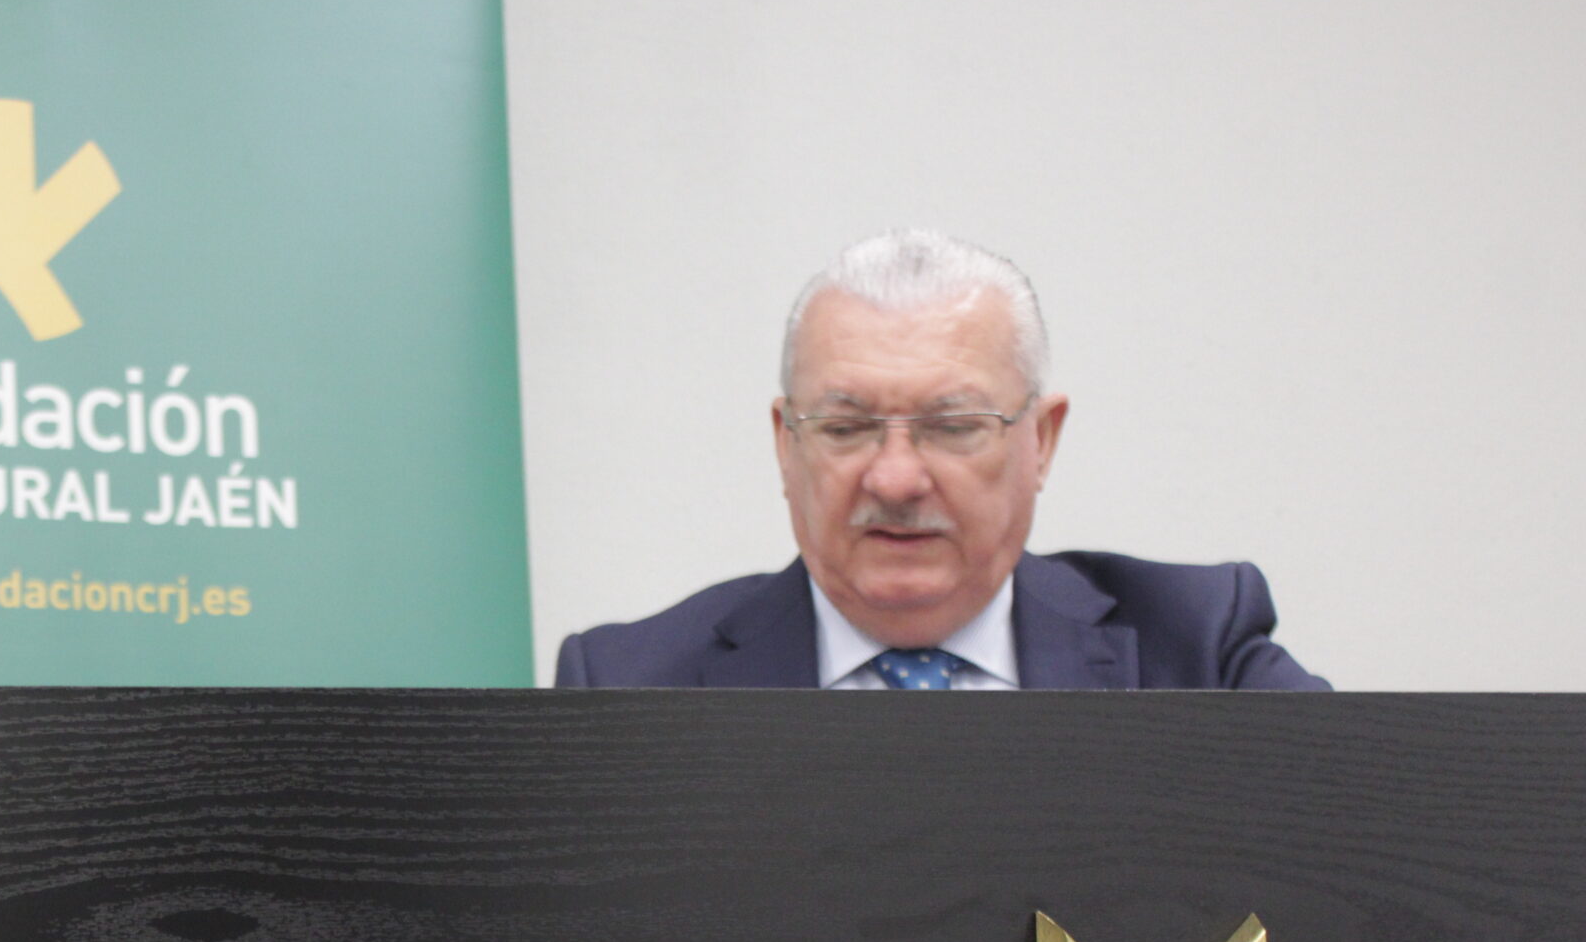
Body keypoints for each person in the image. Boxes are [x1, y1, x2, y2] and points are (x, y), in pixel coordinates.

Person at [554, 230, 1326, 691]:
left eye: (953, 426)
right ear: (786, 444)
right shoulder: (625, 688)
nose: (895, 479)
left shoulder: (1196, 648)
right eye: (846, 427)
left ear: (1041, 440)